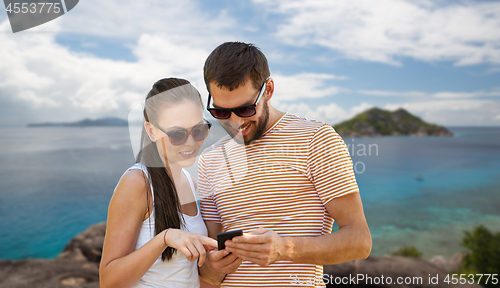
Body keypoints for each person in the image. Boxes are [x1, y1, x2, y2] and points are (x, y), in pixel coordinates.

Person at [198, 42, 372, 287]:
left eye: (246, 109)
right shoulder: (209, 160)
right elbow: (209, 263)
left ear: (268, 89)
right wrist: (210, 267)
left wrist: (286, 248)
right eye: (222, 113)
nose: (236, 123)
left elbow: (360, 240)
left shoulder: (316, 139)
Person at [99, 78, 219, 288]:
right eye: (177, 134)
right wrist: (164, 239)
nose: (191, 142)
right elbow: (109, 281)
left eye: (199, 130)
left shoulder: (189, 181)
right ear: (152, 131)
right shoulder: (137, 183)